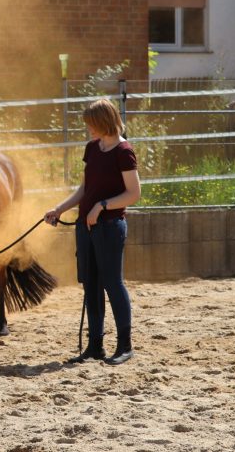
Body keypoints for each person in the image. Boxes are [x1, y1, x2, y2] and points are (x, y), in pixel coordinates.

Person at [44, 98, 141, 365]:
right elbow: (85, 189)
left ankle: (125, 345)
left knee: (113, 283)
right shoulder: (93, 148)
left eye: (92, 124)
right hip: (85, 227)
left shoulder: (124, 151)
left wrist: (102, 206)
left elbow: (133, 193)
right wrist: (60, 208)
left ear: (104, 122)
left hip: (110, 228)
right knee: (92, 285)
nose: (88, 129)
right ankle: (95, 346)